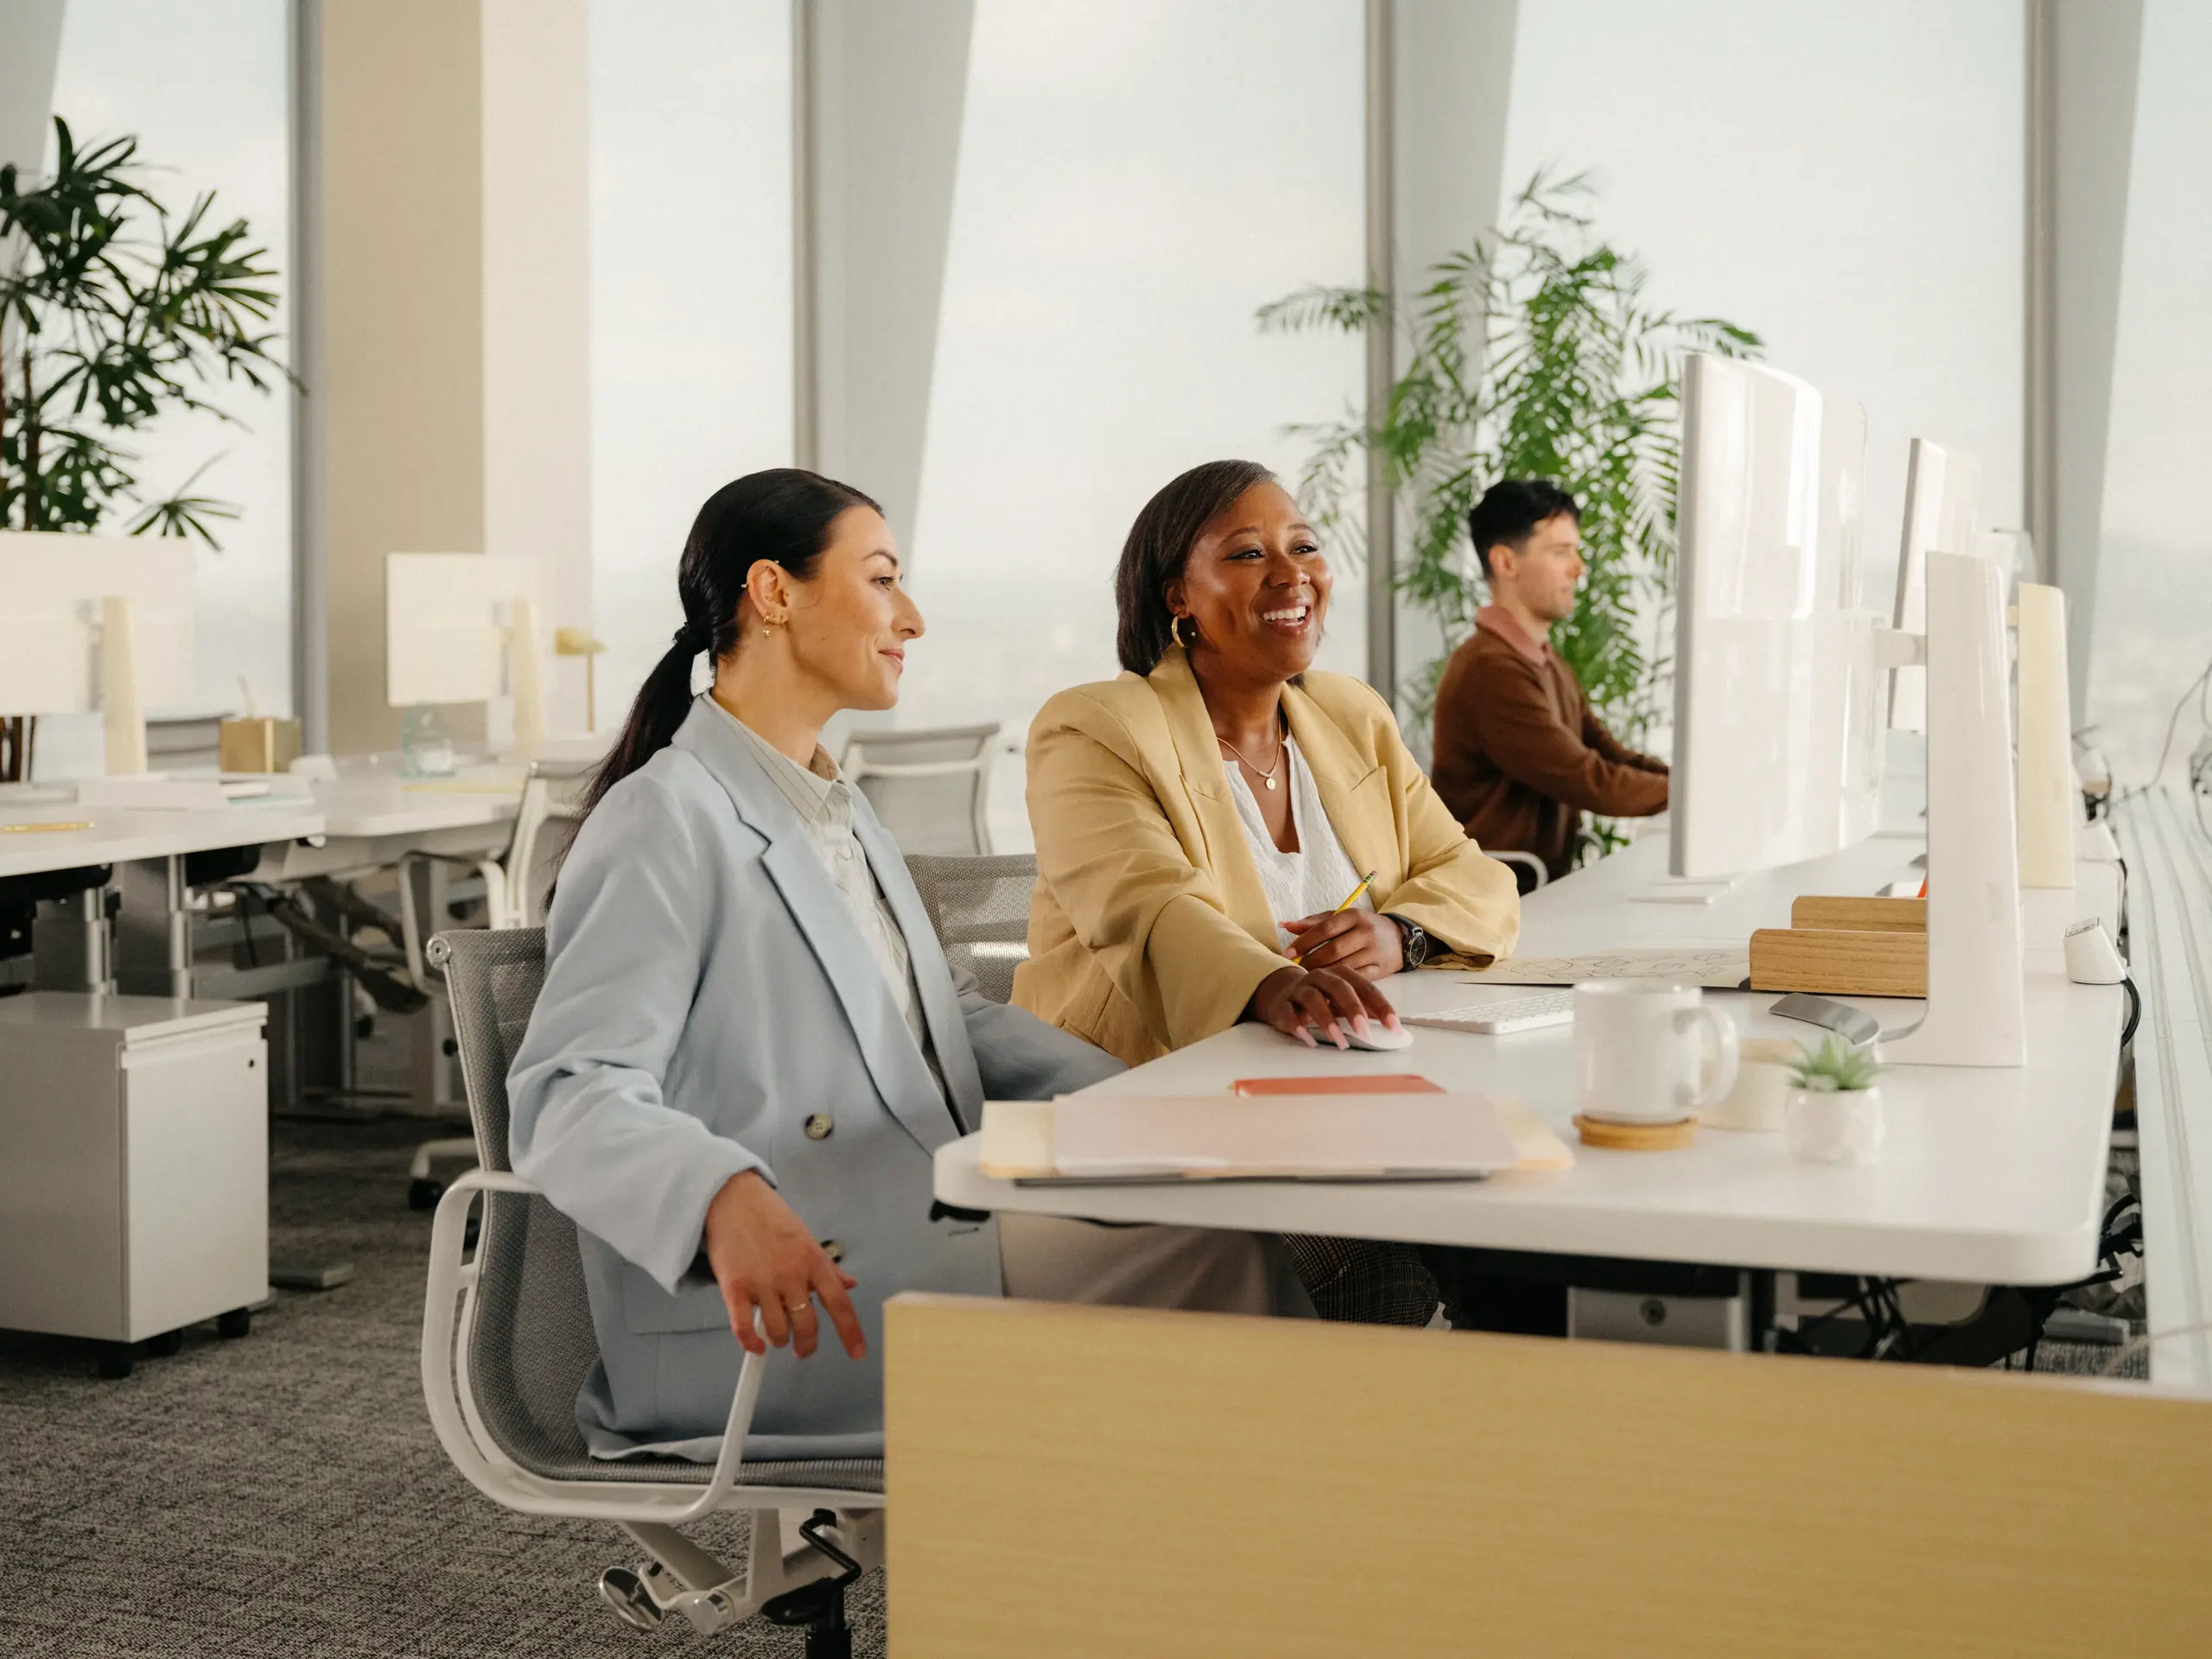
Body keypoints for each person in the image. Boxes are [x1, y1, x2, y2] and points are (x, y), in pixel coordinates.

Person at [505, 469, 1307, 1463]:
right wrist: (719, 1192)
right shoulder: (662, 816)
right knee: (1213, 1253)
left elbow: (952, 1022)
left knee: (1207, 1213)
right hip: (783, 1307)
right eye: (882, 580)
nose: (912, 618)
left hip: (908, 1226)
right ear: (774, 593)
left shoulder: (833, 806)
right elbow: (567, 1092)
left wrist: (1147, 1106)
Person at [1015, 459, 1520, 1324]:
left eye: (1305, 546)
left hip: (1331, 1098)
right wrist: (1274, 983)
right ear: (1179, 596)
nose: (1291, 574)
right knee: (1380, 1247)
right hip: (1141, 1098)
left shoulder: (1347, 716)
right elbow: (1146, 906)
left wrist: (1400, 932)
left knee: (1523, 1211)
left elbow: (1476, 877)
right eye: (1248, 554)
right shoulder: (1096, 727)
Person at [1428, 480, 1669, 888]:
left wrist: (1688, 784)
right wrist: (1694, 798)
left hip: (1534, 890)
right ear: (1506, 562)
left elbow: (1610, 755)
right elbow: (1588, 779)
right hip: (1491, 901)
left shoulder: (1543, 660)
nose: (1579, 567)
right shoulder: (1491, 669)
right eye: (1561, 552)